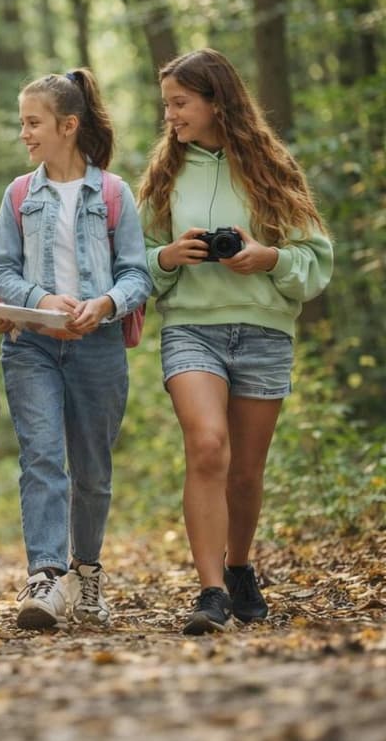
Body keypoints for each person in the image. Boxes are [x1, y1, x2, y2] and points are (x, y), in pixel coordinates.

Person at [139, 48, 333, 635]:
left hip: (263, 329)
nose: (170, 116)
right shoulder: (165, 175)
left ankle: (239, 566)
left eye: (180, 103)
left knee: (245, 473)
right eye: (167, 105)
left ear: (216, 102)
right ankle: (211, 592)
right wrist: (167, 257)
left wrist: (268, 258)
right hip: (190, 327)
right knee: (207, 446)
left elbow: (315, 261)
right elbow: (130, 265)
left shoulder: (273, 168)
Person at [0, 69, 152, 631]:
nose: (24, 133)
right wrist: (40, 300)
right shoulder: (18, 195)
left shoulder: (113, 194)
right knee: (41, 457)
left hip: (98, 347)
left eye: (33, 123)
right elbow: (0, 272)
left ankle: (87, 571)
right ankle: (45, 575)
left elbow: (137, 274)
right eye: (23, 123)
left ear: (68, 125)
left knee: (93, 472)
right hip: (32, 345)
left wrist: (104, 304)